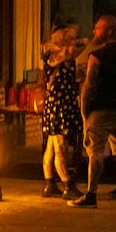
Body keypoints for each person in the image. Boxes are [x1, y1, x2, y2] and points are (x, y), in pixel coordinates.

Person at [68, 14, 116, 208]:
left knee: (95, 152)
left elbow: (89, 85)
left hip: (99, 109)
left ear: (109, 31)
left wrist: (85, 110)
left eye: (98, 28)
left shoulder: (98, 56)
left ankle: (91, 194)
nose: (94, 31)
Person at [39, 21, 83, 197]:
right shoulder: (54, 53)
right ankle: (67, 184)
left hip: (61, 101)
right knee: (60, 146)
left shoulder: (59, 54)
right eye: (69, 36)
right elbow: (72, 51)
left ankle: (49, 183)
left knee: (51, 145)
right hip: (59, 104)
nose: (72, 39)